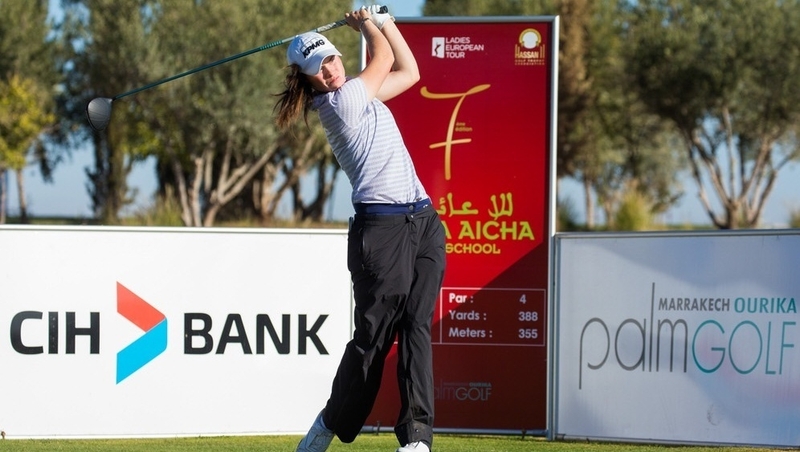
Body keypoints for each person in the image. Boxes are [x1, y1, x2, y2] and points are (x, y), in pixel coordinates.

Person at [275, 5, 445, 452]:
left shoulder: (360, 93)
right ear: (308, 79)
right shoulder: (339, 103)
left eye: (331, 59)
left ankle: (416, 439)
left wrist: (382, 23)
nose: (330, 70)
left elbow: (409, 69)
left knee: (416, 328)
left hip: (423, 221)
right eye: (318, 68)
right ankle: (328, 423)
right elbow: (384, 59)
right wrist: (367, 23)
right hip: (383, 228)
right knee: (373, 339)